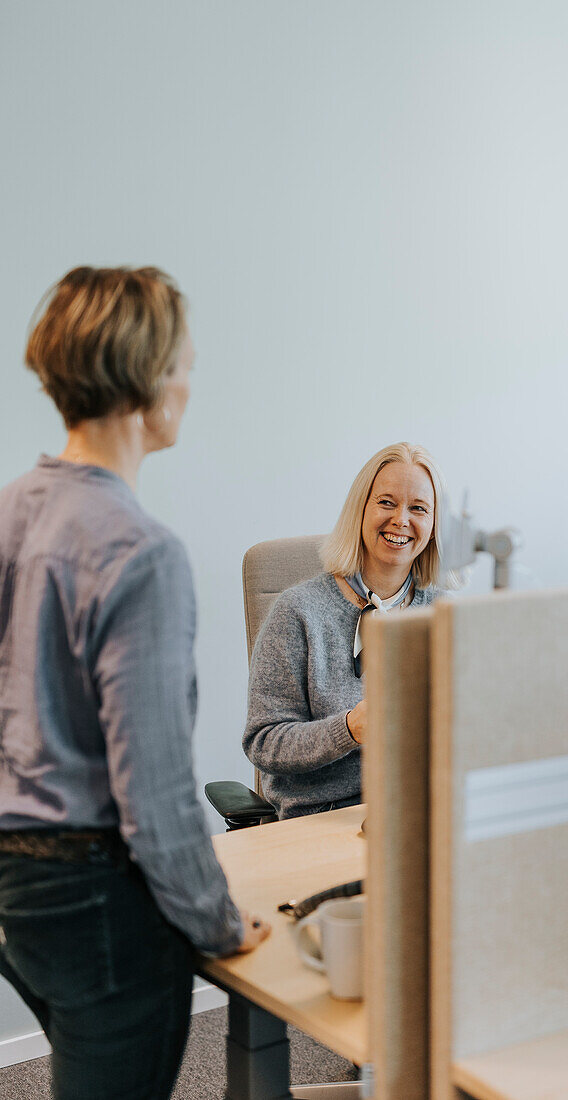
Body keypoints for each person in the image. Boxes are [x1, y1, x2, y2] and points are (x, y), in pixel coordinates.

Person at [0, 266, 269, 1100]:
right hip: (96, 895)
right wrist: (218, 923)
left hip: (17, 891)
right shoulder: (140, 550)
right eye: (184, 361)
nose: (190, 382)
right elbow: (151, 791)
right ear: (148, 377)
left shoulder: (11, 510)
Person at [243, 441, 455, 819]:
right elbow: (265, 743)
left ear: (435, 525)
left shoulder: (446, 614)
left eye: (418, 508)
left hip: (423, 810)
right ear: (361, 510)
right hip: (325, 816)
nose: (401, 520)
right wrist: (350, 729)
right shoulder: (297, 612)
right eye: (387, 502)